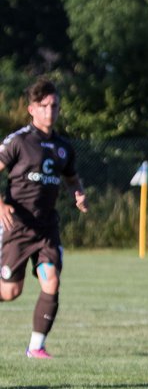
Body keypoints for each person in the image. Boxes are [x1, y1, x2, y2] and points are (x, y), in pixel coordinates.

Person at [0, 78, 89, 358]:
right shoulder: (18, 142)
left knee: (51, 281)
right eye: (44, 106)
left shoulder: (64, 147)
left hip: (47, 227)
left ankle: (36, 347)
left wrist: (79, 194)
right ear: (31, 109)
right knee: (10, 292)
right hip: (17, 227)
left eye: (55, 106)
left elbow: (72, 179)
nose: (50, 111)